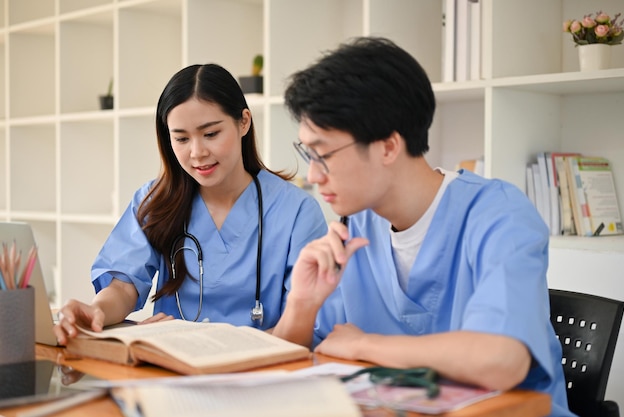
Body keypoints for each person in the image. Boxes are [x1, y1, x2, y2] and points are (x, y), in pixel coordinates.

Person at [271, 37, 574, 416]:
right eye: (307, 154)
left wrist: (366, 345)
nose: (313, 175)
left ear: (387, 146)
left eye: (324, 154)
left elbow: (500, 360)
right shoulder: (357, 225)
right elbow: (308, 355)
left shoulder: (499, 214)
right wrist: (303, 302)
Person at [54, 63, 327, 344]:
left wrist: (209, 345)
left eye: (211, 134)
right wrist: (96, 311)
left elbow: (307, 324)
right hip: (173, 371)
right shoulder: (155, 200)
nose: (197, 153)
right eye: (182, 138)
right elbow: (123, 287)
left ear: (243, 122)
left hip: (258, 373)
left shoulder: (296, 212)